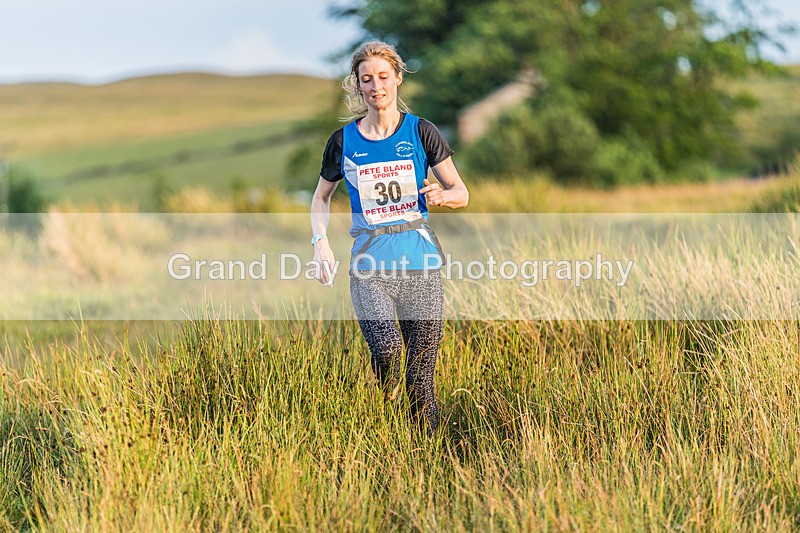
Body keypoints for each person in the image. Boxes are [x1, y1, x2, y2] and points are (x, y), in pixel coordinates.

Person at [310, 41, 469, 436]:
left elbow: (461, 192)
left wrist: (442, 196)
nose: (376, 86)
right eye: (367, 79)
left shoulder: (421, 132)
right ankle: (386, 404)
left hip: (420, 264)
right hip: (369, 267)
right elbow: (320, 197)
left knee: (421, 379)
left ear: (397, 78)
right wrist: (321, 243)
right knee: (386, 350)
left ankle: (427, 455)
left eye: (383, 77)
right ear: (358, 86)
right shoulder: (343, 141)